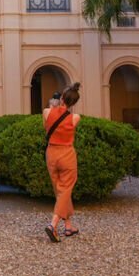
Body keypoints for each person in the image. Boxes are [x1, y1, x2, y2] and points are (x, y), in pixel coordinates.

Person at [43, 82, 81, 242]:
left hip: (51, 153)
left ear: (62, 98)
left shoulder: (46, 112)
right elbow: (69, 118)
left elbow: (51, 113)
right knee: (65, 189)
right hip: (67, 154)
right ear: (74, 103)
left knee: (60, 190)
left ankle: (68, 226)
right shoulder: (75, 118)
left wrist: (56, 105)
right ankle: (53, 224)